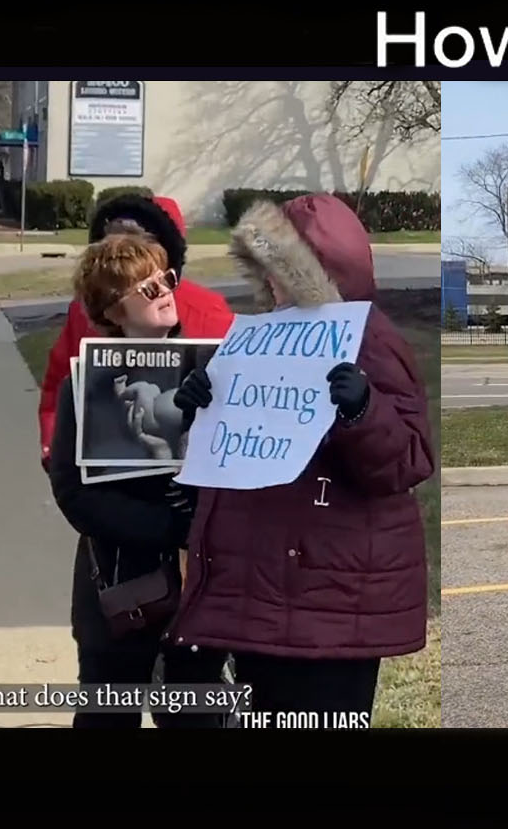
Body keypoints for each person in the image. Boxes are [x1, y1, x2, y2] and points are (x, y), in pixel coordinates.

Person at [168, 195, 433, 718]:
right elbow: (230, 458)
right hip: (260, 593)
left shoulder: (372, 342)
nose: (270, 284)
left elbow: (407, 460)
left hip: (330, 598)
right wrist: (199, 407)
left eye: (281, 271)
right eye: (263, 271)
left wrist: (363, 411)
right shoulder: (255, 339)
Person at [47, 232, 231, 727]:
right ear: (112, 310)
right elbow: (73, 492)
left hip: (201, 587)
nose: (165, 291)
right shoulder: (84, 385)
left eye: (165, 279)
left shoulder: (219, 371)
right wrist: (169, 528)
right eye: (146, 289)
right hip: (118, 581)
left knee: (196, 713)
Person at [38, 194, 231, 468]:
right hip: (110, 479)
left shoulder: (208, 310)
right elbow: (59, 386)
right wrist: (56, 450)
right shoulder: (83, 313)